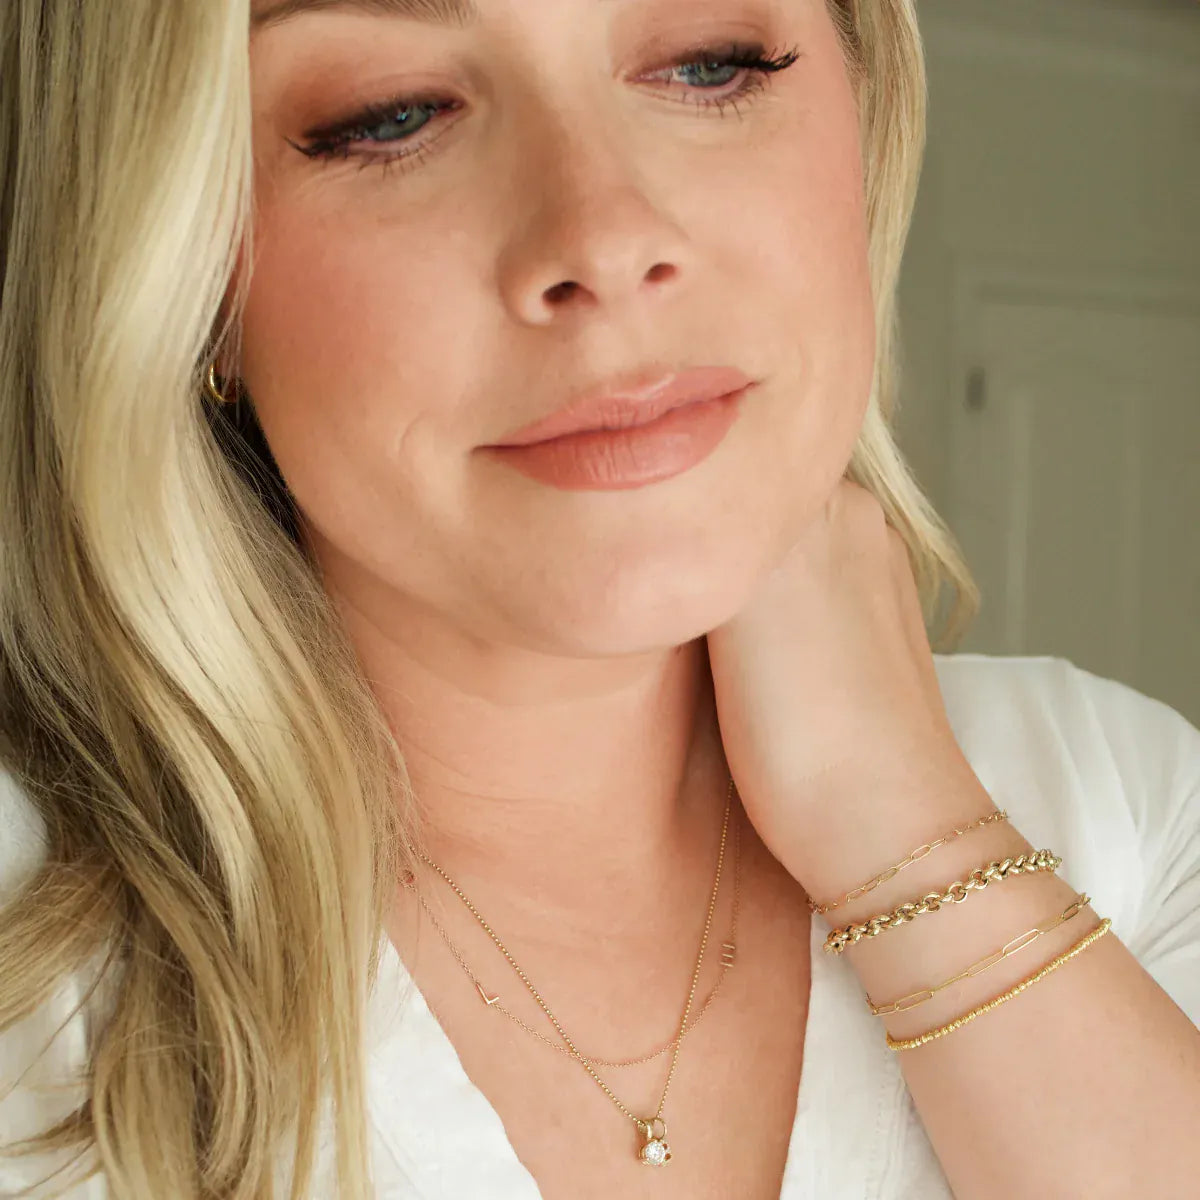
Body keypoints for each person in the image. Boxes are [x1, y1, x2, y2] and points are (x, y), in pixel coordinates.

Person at [1, 0, 1198, 1196]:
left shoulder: (1130, 811)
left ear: (865, 127)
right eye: (393, 116)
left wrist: (897, 825)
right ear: (183, 252)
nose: (608, 234)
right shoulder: (29, 966)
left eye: (708, 65)